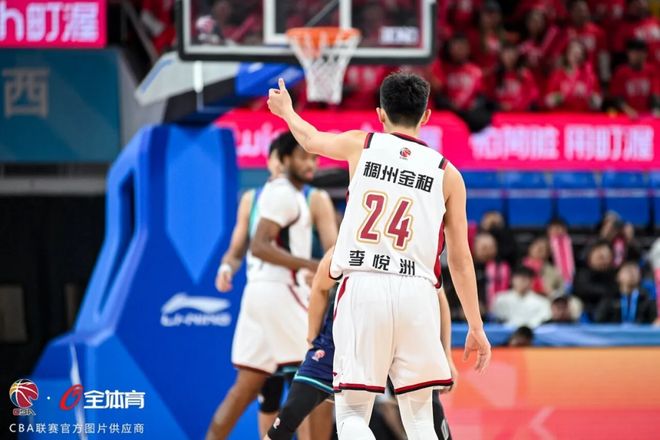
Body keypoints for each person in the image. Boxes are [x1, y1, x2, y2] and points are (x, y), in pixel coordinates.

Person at [267, 72, 491, 440]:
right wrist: (476, 326)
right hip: (418, 293)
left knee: (353, 412)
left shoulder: (362, 144)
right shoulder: (448, 174)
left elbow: (309, 139)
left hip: (363, 286)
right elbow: (461, 260)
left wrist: (287, 112)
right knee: (421, 420)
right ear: (426, 116)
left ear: (380, 113)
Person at [206, 132, 337, 439]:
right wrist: (313, 267)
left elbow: (329, 247)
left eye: (314, 158)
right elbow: (258, 246)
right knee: (319, 378)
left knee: (244, 389)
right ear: (278, 160)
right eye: (303, 157)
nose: (310, 164)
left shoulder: (303, 196)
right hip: (283, 292)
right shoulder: (282, 193)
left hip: (260, 294)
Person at [265, 248, 458, 440]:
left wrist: (447, 354)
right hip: (344, 338)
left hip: (399, 334)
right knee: (292, 414)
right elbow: (319, 286)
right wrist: (312, 342)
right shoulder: (349, 245)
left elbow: (438, 295)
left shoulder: (415, 249)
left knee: (427, 417)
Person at [545, 39, 602, 111]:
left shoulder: (590, 76)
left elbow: (598, 103)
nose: (577, 57)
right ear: (566, 55)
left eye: (580, 54)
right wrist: (563, 95)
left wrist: (588, 95)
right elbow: (548, 101)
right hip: (562, 115)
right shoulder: (556, 75)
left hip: (583, 115)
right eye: (574, 53)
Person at [610, 38, 660, 118]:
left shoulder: (652, 71)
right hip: (626, 116)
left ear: (646, 54)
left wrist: (657, 108)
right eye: (634, 53)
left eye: (641, 53)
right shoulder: (621, 72)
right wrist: (627, 109)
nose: (638, 56)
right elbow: (616, 97)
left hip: (647, 115)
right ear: (628, 54)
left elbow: (655, 94)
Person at [572, 240, 618, 319]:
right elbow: (582, 289)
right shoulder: (582, 272)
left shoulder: (614, 275)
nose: (604, 261)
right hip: (584, 309)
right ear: (590, 256)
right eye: (600, 257)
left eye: (607, 257)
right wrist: (604, 291)